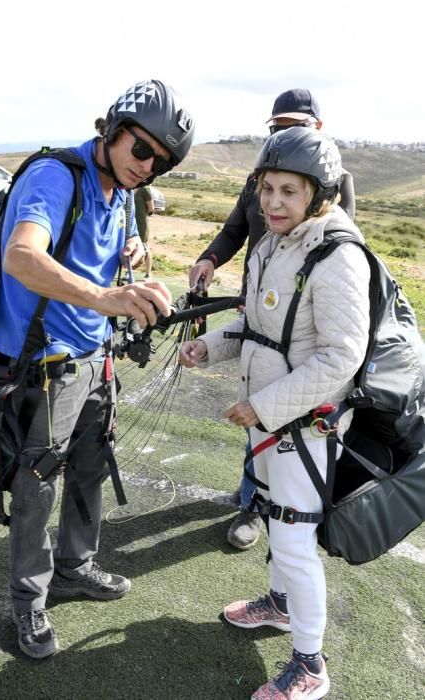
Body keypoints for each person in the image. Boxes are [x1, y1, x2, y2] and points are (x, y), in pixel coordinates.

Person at [0, 79, 194, 659]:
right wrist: (106, 300)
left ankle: (75, 566)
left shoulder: (121, 189)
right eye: (143, 150)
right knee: (37, 485)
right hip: (45, 363)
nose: (147, 167)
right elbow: (23, 256)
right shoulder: (57, 176)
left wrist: (136, 255)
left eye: (161, 163)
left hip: (94, 356)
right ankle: (28, 599)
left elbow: (126, 243)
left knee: (90, 466)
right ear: (112, 128)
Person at [179, 127, 370, 699]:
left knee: (293, 540)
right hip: (267, 424)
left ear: (320, 194)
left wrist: (262, 406)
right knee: (275, 519)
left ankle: (310, 666)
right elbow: (257, 326)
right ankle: (280, 606)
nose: (273, 203)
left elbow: (342, 356)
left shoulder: (337, 256)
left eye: (289, 191)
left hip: (305, 426)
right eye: (266, 189)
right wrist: (209, 346)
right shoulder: (269, 246)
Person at [189, 88, 356, 551]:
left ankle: (259, 510)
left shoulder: (332, 192)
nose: (273, 201)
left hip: (298, 320)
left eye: (294, 127)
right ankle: (255, 495)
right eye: (276, 128)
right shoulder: (257, 179)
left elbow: (332, 276)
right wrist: (210, 258)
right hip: (257, 310)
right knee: (255, 404)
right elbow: (233, 230)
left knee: (276, 412)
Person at [134, 185, 154, 279]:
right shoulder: (127, 187)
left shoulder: (145, 190)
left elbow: (151, 209)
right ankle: (129, 271)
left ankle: (148, 273)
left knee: (145, 246)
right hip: (128, 222)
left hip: (141, 222)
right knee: (129, 246)